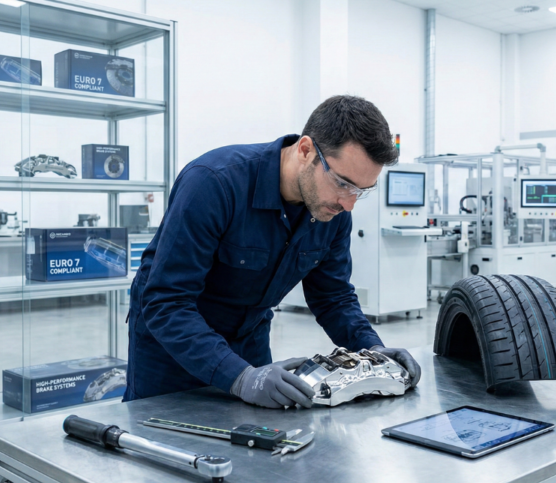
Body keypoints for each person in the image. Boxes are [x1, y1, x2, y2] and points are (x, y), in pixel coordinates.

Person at [124, 95, 421, 408]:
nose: (348, 203)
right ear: (305, 151)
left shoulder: (332, 212)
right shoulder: (213, 184)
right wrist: (239, 377)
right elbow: (167, 302)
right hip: (173, 353)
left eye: (361, 191)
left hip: (250, 345)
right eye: (342, 183)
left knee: (254, 447)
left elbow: (333, 297)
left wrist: (371, 349)